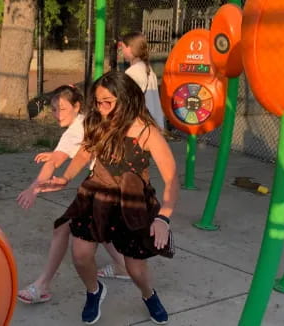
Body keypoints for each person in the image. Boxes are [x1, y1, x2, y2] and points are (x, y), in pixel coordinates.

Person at [39, 71, 179, 324]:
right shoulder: (98, 123)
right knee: (80, 255)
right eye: (98, 102)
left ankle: (149, 295)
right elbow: (84, 153)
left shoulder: (146, 132)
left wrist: (163, 218)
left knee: (135, 269)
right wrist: (66, 178)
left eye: (108, 102)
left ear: (126, 99)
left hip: (132, 202)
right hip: (96, 194)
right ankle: (94, 291)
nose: (101, 109)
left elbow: (172, 178)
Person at [16, 85, 129, 305]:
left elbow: (55, 161)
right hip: (114, 184)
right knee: (97, 227)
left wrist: (34, 188)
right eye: (54, 109)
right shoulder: (85, 121)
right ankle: (122, 266)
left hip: (107, 185)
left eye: (63, 109)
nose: (58, 114)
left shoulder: (78, 127)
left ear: (77, 106)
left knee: (62, 228)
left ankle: (42, 286)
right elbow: (64, 155)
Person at [120, 32, 166, 131]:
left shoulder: (132, 72)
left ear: (130, 48)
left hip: (140, 126)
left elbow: (127, 102)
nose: (122, 51)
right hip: (153, 125)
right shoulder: (148, 69)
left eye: (123, 47)